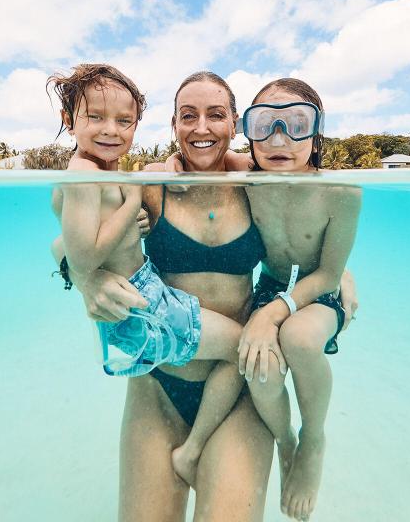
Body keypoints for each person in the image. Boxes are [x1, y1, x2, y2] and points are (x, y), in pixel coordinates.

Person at [54, 71, 274, 521]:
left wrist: (337, 275)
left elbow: (304, 241)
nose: (201, 128)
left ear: (234, 123)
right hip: (158, 387)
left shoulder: (262, 184)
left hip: (240, 394)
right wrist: (87, 282)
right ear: (173, 125)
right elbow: (67, 246)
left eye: (216, 115)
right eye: (188, 116)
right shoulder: (152, 183)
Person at [238, 78, 361, 521]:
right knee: (259, 367)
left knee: (300, 339)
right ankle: (284, 437)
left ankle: (312, 437)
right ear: (247, 131)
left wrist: (273, 313)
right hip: (272, 287)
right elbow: (183, 163)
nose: (278, 139)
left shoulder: (341, 192)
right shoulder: (244, 179)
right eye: (264, 124)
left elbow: (329, 271)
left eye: (296, 124)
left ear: (316, 133)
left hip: (320, 291)